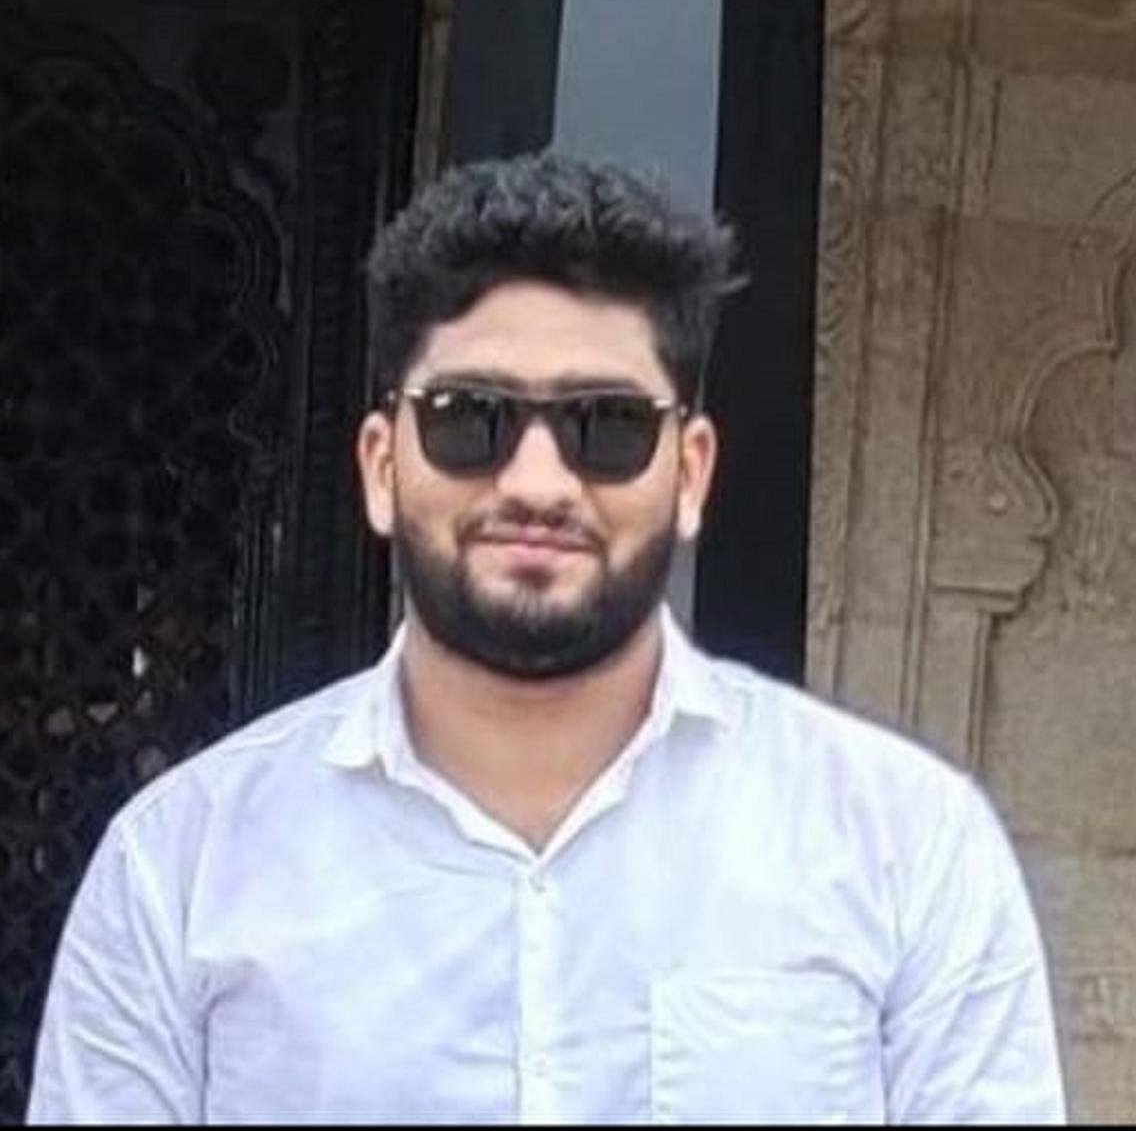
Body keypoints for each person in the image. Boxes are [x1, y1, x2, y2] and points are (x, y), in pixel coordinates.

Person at [27, 153, 1065, 1124]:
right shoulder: (182, 867)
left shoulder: (903, 846)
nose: (535, 482)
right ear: (382, 466)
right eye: (467, 417)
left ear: (690, 472)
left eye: (606, 426)